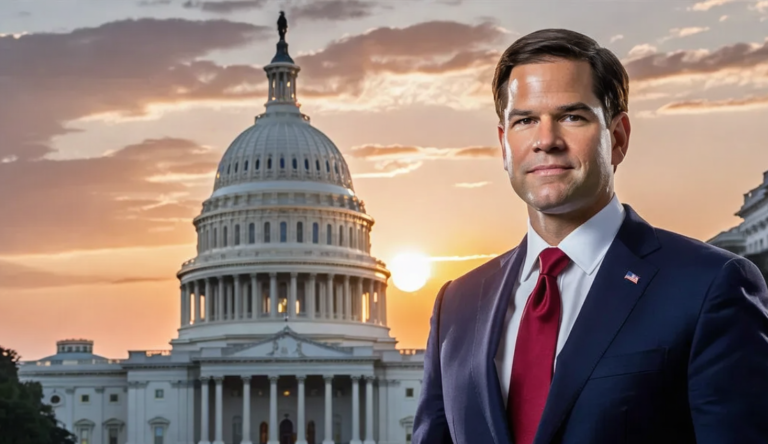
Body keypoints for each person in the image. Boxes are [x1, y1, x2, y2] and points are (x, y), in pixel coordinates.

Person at [412, 28, 768, 444]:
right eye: (525, 120)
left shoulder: (709, 285)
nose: (546, 141)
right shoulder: (457, 303)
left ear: (617, 138)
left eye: (571, 117)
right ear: (504, 146)